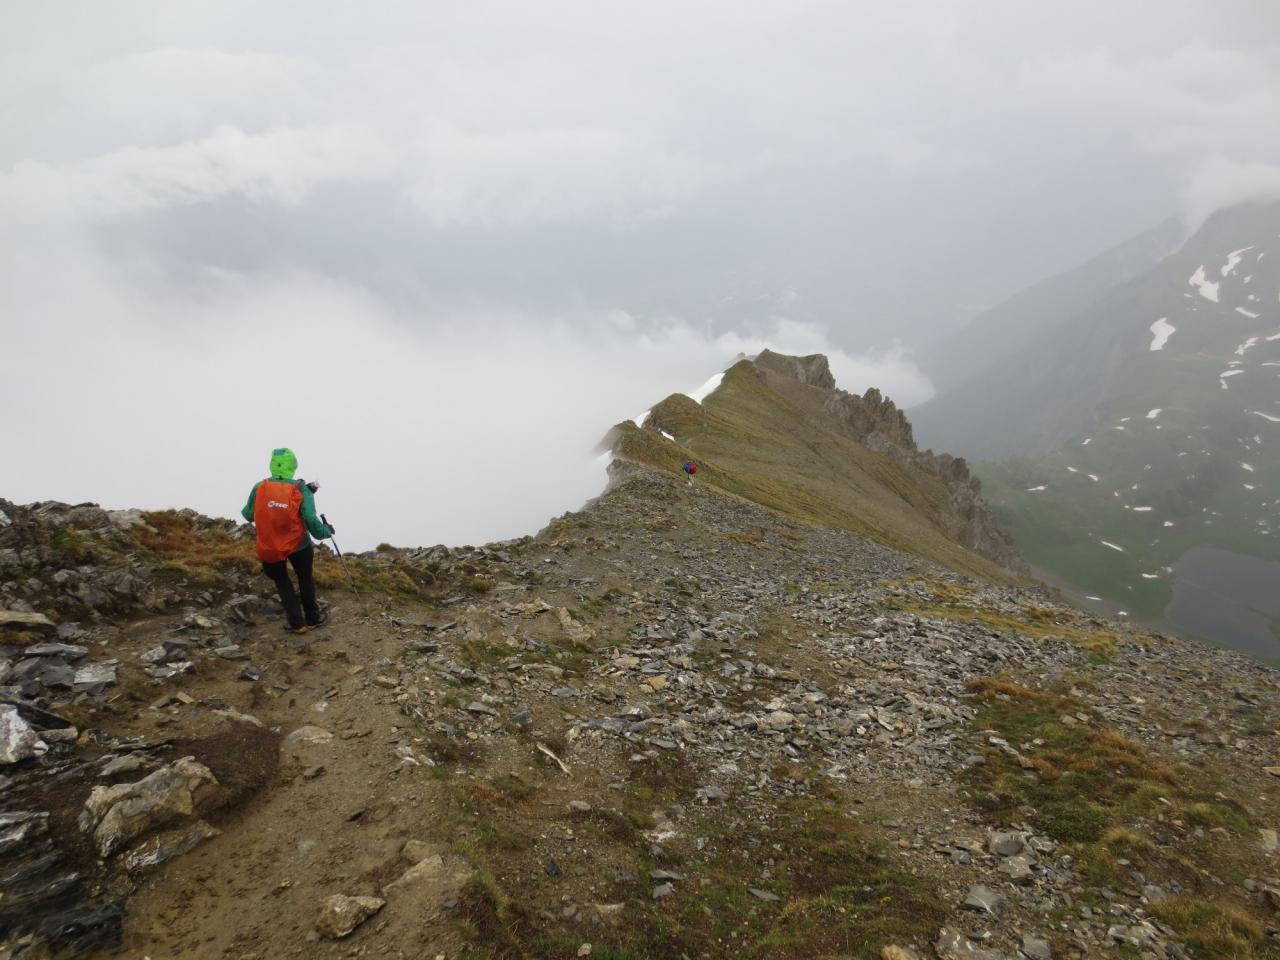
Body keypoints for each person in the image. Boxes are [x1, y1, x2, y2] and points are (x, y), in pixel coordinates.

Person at [241, 448, 334, 634]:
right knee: (305, 578)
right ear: (293, 465)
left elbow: (248, 515)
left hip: (269, 547)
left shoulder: (259, 487)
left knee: (282, 582)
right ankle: (313, 618)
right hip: (298, 545)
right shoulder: (300, 489)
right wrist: (326, 531)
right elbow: (311, 520)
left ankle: (296, 624)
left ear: (272, 465)